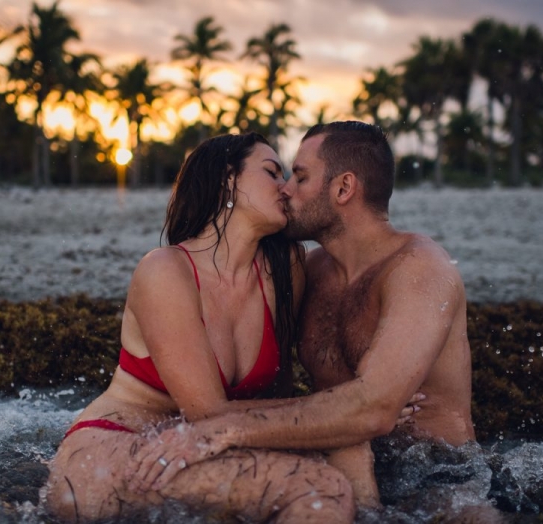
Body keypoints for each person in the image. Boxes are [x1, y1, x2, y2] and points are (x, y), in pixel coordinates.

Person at [127, 121, 477, 510]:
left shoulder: (419, 269)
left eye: (300, 176)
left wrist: (223, 428)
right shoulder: (307, 272)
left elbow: (377, 408)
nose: (286, 189)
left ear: (343, 188)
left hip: (437, 476)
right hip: (341, 453)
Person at [44, 132, 364, 523]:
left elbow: (273, 397)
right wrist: (349, 406)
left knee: (352, 448)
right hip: (119, 449)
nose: (285, 187)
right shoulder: (166, 271)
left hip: (202, 446)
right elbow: (208, 413)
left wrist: (356, 413)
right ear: (228, 178)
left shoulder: (286, 270)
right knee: (319, 488)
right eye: (271, 172)